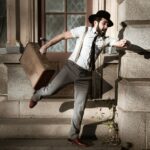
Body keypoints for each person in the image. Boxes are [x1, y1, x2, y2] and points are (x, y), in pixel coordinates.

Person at [29, 10, 129, 147]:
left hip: (86, 75)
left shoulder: (104, 40)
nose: (106, 27)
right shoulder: (84, 31)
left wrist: (123, 42)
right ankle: (37, 95)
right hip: (71, 68)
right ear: (96, 22)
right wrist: (46, 46)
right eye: (104, 23)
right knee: (50, 90)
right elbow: (63, 36)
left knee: (80, 106)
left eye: (107, 24)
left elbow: (116, 42)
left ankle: (73, 136)